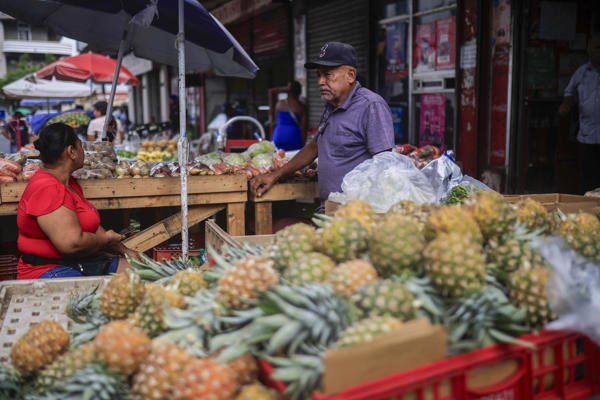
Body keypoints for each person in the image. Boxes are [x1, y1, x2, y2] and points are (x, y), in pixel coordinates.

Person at [251, 42, 394, 206]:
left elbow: (385, 163)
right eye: (318, 75)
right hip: (328, 208)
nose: (320, 81)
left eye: (328, 75)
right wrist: (275, 175)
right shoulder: (331, 106)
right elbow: (314, 147)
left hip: (356, 212)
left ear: (351, 75)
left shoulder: (371, 106)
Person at [16, 123, 140, 279]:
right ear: (71, 152)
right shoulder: (47, 188)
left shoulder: (69, 183)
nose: (84, 152)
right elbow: (72, 244)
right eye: (81, 146)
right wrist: (105, 239)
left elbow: (92, 226)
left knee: (142, 274)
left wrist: (125, 251)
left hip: (82, 261)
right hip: (49, 268)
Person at [559, 33, 600, 194]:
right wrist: (566, 105)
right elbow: (568, 92)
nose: (598, 51)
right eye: (596, 48)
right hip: (587, 136)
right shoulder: (582, 72)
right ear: (589, 50)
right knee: (588, 180)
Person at [272, 81, 308, 151]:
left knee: (278, 159)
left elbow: (276, 121)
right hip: (294, 136)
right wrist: (303, 143)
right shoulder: (301, 107)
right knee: (293, 159)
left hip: (278, 135)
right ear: (299, 92)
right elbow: (304, 128)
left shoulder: (279, 103)